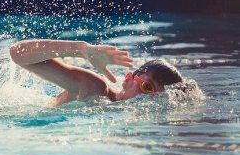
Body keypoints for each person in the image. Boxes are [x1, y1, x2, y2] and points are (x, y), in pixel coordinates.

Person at [9, 39, 183, 107]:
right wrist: (80, 49)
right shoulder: (96, 88)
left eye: (158, 97)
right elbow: (17, 53)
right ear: (128, 80)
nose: (148, 100)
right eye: (146, 87)